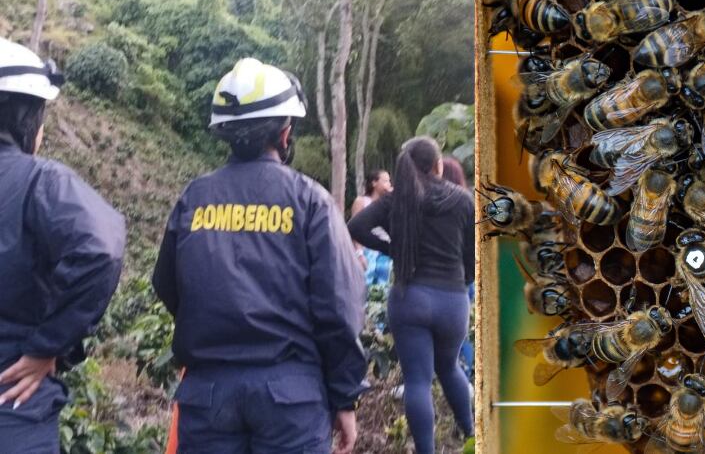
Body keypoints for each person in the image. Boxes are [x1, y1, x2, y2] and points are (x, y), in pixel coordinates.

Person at [151, 58, 367, 454]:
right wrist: (345, 395)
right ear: (285, 132)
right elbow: (339, 307)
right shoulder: (310, 201)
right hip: (291, 397)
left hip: (207, 394)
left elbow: (166, 283)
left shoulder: (194, 199)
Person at [0, 37, 125, 451]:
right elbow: (101, 248)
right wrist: (48, 346)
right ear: (26, 118)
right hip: (11, 405)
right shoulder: (40, 181)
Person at [348, 137, 475, 454]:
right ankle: (472, 435)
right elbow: (473, 255)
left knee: (417, 380)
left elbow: (356, 226)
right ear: (438, 165)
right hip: (452, 300)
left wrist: (392, 248)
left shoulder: (398, 201)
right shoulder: (462, 200)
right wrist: (462, 282)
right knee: (449, 368)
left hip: (410, 298)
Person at [439, 157, 476, 383]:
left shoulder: (441, 207)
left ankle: (457, 376)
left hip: (446, 279)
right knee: (462, 334)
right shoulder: (467, 203)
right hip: (465, 280)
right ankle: (465, 375)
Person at [351, 169, 394, 286]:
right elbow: (355, 228)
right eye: (385, 181)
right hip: (367, 250)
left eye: (389, 181)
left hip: (385, 250)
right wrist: (359, 253)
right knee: (364, 283)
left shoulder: (388, 203)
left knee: (383, 286)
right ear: (374, 183)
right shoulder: (362, 201)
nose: (388, 184)